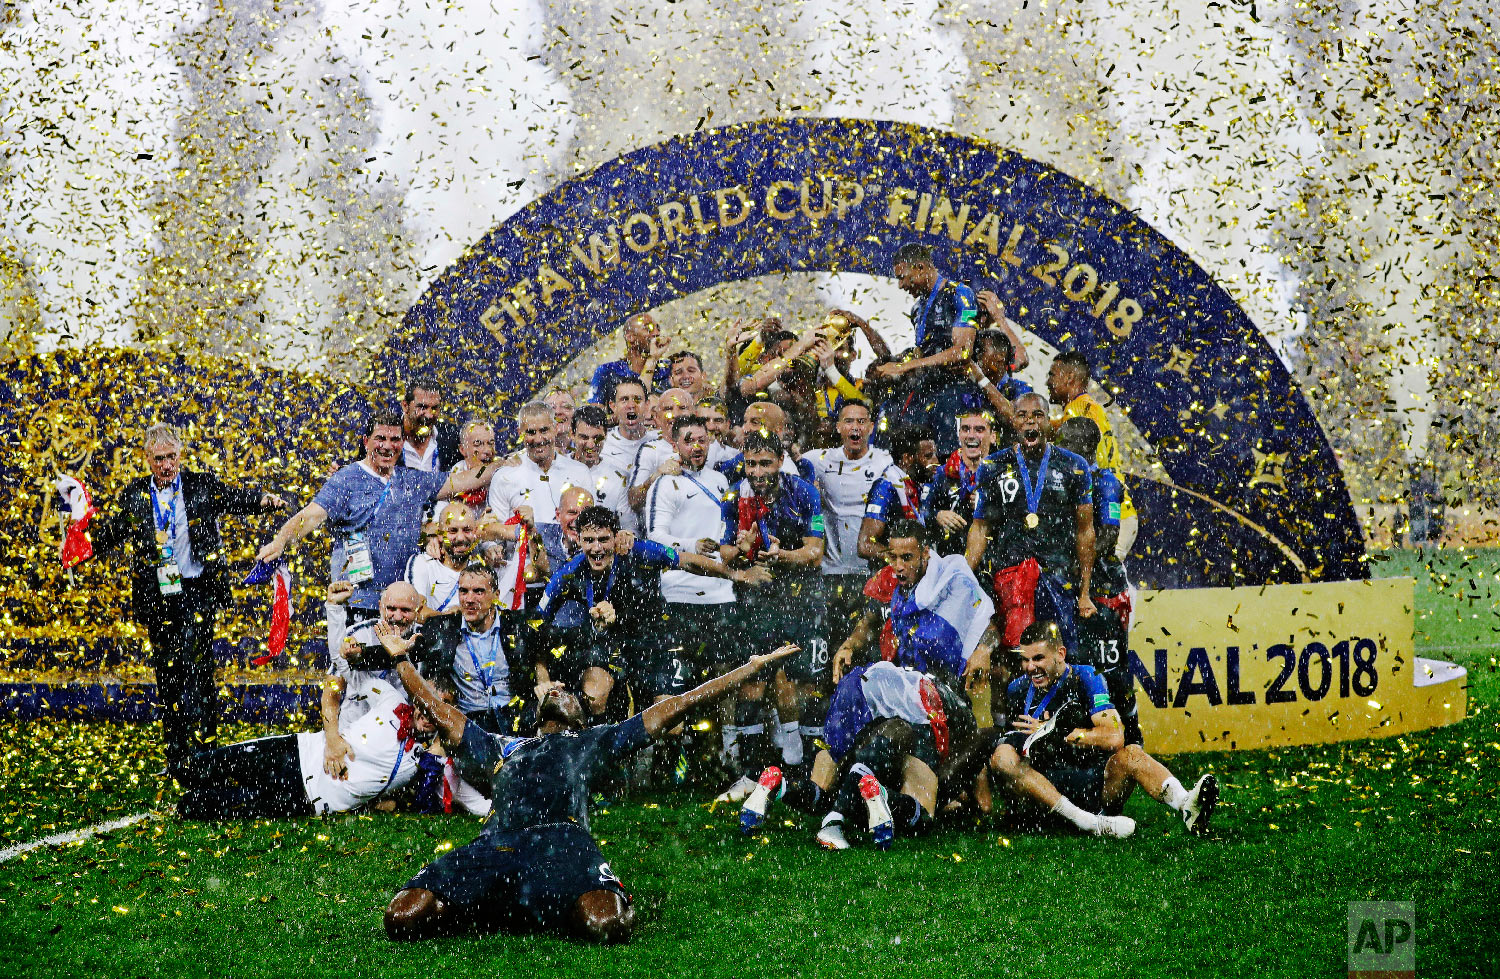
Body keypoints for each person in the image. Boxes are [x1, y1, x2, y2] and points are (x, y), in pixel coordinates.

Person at [380, 634, 800, 943]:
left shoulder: (594, 741)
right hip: (496, 842)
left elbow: (680, 704)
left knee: (604, 923)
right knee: (401, 916)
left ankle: (523, 900)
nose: (561, 689)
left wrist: (751, 668)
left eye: (572, 693)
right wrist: (401, 660)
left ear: (582, 717)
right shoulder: (502, 745)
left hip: (563, 843)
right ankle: (507, 900)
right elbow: (438, 709)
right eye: (557, 689)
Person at [89, 422, 286, 780]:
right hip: (160, 595)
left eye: (172, 457)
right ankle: (177, 753)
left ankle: (207, 749)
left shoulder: (198, 485)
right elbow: (113, 531)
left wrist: (263, 502)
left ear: (180, 455)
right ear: (147, 459)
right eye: (159, 458)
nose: (166, 465)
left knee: (198, 667)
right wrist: (81, 549)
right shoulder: (135, 494)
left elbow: (232, 498)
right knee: (168, 673)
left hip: (197, 589)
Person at [255, 408, 502, 646]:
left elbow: (464, 480)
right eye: (380, 438)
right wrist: (280, 541)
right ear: (366, 441)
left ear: (402, 443)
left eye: (395, 439)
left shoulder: (412, 480)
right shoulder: (347, 479)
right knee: (353, 678)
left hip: (401, 607)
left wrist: (509, 462)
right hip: (356, 603)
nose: (387, 445)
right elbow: (310, 516)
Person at [987, 621, 1218, 836]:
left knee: (1131, 755)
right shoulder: (1017, 689)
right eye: (1025, 660)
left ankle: (1186, 804)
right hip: (1046, 789)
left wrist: (1060, 732)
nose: (1030, 667)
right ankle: (1084, 821)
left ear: (1060, 654)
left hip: (1093, 785)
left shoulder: (1086, 677)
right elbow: (1010, 751)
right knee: (1002, 757)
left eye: (1038, 658)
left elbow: (1114, 736)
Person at [534, 506, 754, 722]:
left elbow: (687, 562)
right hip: (611, 643)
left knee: (669, 721)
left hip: (654, 639)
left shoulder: (639, 551)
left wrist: (736, 575)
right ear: (579, 540)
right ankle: (606, 749)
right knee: (594, 695)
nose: (596, 548)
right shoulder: (569, 573)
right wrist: (542, 679)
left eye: (603, 539)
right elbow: (536, 626)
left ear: (616, 537)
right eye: (589, 540)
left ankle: (665, 751)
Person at [740, 661, 979, 851]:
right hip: (913, 709)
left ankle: (779, 785)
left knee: (822, 789)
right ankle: (838, 821)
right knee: (923, 816)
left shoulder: (918, 674)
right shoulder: (954, 717)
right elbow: (983, 799)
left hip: (856, 682)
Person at [176, 676, 487, 820]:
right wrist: (333, 738)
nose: (429, 713)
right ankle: (174, 775)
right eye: (427, 701)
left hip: (307, 800)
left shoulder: (429, 761)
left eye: (440, 709)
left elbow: (453, 800)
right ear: (418, 696)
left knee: (199, 806)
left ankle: (173, 806)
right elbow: (336, 682)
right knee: (197, 767)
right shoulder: (390, 697)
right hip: (298, 751)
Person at [717, 431, 827, 786]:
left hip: (803, 596)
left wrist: (783, 556)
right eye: (751, 463)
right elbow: (725, 554)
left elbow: (815, 552)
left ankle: (803, 771)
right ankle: (752, 774)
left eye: (765, 463)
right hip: (758, 597)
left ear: (780, 462)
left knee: (804, 682)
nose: (758, 471)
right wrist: (742, 546)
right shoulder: (735, 496)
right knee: (753, 681)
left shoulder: (805, 493)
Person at [966, 392, 1096, 653]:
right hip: (1009, 579)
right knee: (1015, 659)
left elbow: (1085, 532)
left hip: (1058, 578)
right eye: (1022, 416)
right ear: (1013, 421)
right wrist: (963, 576)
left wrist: (1084, 593)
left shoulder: (1074, 466)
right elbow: (980, 527)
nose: (1030, 422)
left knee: (1059, 657)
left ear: (1049, 422)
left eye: (1038, 415)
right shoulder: (993, 466)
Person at [834, 520, 997, 689]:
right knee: (851, 687)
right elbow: (868, 623)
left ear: (925, 553)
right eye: (893, 557)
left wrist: (983, 650)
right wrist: (849, 646)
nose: (899, 567)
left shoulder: (953, 582)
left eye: (906, 558)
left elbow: (989, 628)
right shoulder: (888, 579)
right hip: (905, 683)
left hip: (949, 686)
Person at [1055, 416, 1138, 745]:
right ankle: (1086, 743)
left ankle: (1132, 742)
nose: (1059, 448)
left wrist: (1071, 562)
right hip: (1070, 591)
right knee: (1076, 667)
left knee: (1113, 672)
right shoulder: (1062, 480)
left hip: (1104, 592)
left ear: (1081, 447)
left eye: (1064, 443)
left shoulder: (1106, 482)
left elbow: (1106, 536)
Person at [874, 244, 984, 457]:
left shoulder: (961, 294)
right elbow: (921, 353)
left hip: (955, 392)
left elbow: (962, 352)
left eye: (903, 277)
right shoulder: (917, 307)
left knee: (949, 458)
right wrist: (899, 370)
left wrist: (905, 366)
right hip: (925, 390)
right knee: (908, 452)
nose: (901, 285)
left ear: (921, 268)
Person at [803, 400, 894, 652]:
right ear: (838, 427)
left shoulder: (885, 462)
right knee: (831, 645)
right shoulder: (818, 460)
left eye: (862, 421)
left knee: (866, 646)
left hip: (870, 573)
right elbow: (784, 469)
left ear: (872, 427)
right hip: (831, 573)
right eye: (849, 421)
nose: (856, 427)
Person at [482, 401, 590, 608]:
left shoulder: (579, 472)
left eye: (544, 430)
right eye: (531, 432)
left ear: (556, 427)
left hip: (570, 580)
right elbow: (490, 530)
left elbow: (592, 525)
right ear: (520, 432)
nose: (539, 439)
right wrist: (491, 548)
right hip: (523, 585)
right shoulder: (506, 476)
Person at [1046, 350, 1137, 559]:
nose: (1047, 381)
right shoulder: (1077, 410)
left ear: (1069, 378)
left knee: (1106, 582)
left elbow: (1085, 453)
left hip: (1113, 514)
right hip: (1107, 513)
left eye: (1052, 374)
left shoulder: (1085, 408)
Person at [443, 564, 522, 735]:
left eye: (478, 591)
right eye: (463, 591)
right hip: (470, 724)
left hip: (514, 718)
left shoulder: (517, 627)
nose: (469, 599)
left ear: (496, 595)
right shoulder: (445, 630)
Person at [922, 410, 997, 558]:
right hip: (951, 560)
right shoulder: (944, 473)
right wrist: (938, 515)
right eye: (965, 429)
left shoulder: (1002, 473)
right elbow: (923, 510)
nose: (971, 435)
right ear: (959, 434)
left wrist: (990, 506)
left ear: (993, 436)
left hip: (992, 561)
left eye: (979, 430)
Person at [858, 424, 938, 561]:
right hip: (893, 580)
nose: (936, 462)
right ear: (907, 458)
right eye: (928, 456)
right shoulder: (886, 488)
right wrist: (902, 561)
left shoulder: (918, 485)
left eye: (935, 455)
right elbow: (865, 545)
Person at [403, 501, 481, 622]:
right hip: (432, 639)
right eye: (453, 531)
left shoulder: (481, 568)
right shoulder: (423, 563)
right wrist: (448, 618)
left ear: (475, 532)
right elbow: (415, 611)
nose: (460, 538)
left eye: (467, 530)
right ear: (439, 534)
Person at [568, 404, 635, 533]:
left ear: (606, 436)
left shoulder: (619, 478)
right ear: (572, 434)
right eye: (584, 437)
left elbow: (629, 528)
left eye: (597, 438)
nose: (591, 444)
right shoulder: (556, 468)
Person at [714, 401, 816, 484]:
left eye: (755, 423)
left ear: (778, 431)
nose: (745, 429)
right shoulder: (737, 456)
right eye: (745, 421)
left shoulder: (786, 470)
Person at [627, 387, 694, 511]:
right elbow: (634, 501)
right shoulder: (650, 450)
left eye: (682, 408)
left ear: (694, 414)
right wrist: (655, 477)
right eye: (668, 409)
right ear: (657, 417)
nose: (676, 414)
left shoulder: (708, 448)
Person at [588, 313, 672, 404]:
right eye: (648, 329)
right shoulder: (608, 372)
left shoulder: (668, 369)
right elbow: (594, 413)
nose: (657, 333)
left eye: (658, 328)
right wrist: (652, 359)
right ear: (630, 337)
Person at [968, 329, 1031, 446]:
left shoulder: (1021, 388)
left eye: (981, 351)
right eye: (975, 352)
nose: (977, 357)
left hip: (1010, 458)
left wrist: (981, 379)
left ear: (1001, 356)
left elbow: (1016, 418)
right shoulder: (972, 389)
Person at [598, 376, 661, 487]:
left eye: (637, 399)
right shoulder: (601, 443)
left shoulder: (660, 441)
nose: (631, 405)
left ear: (646, 405)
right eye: (624, 399)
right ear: (613, 406)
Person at [398, 377, 462, 473]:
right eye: (422, 407)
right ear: (405, 406)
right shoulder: (386, 436)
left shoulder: (451, 437)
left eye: (434, 408)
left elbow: (475, 472)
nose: (429, 415)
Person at [450, 419, 496, 515]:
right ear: (463, 450)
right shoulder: (453, 478)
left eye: (491, 443)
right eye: (478, 444)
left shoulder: (503, 475)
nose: (487, 450)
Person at [697, 396, 737, 471]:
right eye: (704, 420)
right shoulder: (680, 457)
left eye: (718, 420)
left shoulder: (737, 457)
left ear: (728, 425)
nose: (711, 427)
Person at [544, 389, 576, 457]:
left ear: (575, 415)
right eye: (551, 407)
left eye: (566, 407)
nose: (558, 412)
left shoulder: (588, 451)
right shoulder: (525, 458)